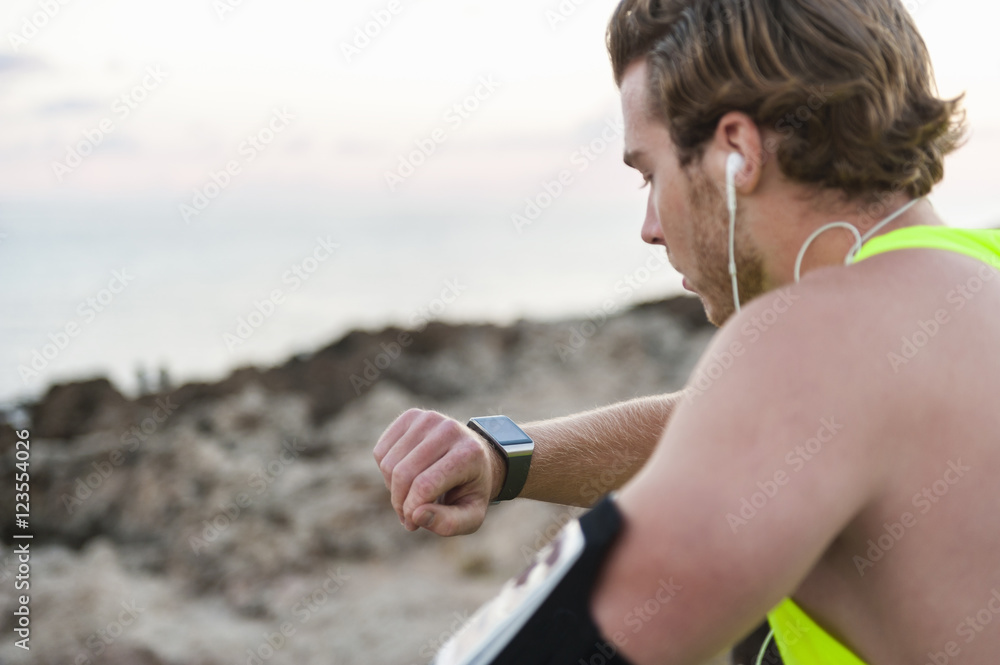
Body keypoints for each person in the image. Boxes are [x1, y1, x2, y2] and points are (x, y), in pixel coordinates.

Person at [374, 0, 1000, 663]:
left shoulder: (820, 340)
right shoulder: (969, 278)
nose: (650, 225)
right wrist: (503, 455)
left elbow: (532, 648)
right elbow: (746, 432)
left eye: (651, 174)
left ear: (736, 152)